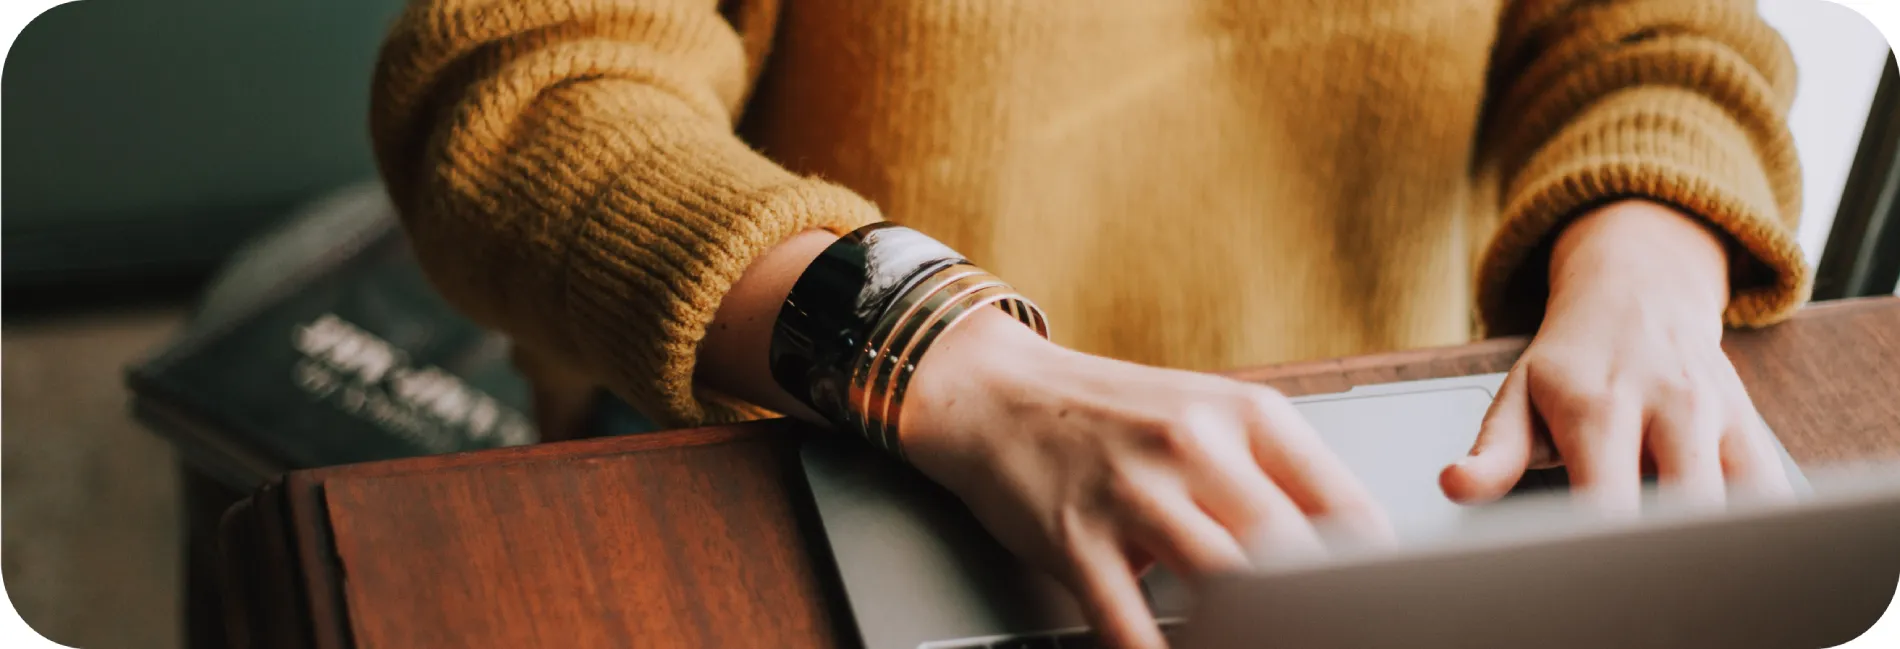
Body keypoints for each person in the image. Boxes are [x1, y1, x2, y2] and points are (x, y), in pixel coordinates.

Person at [369, 1, 1808, 646]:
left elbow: (1657, 34)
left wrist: (1648, 263)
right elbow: (519, 91)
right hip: (834, 470)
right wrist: (942, 352)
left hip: (1350, 499)